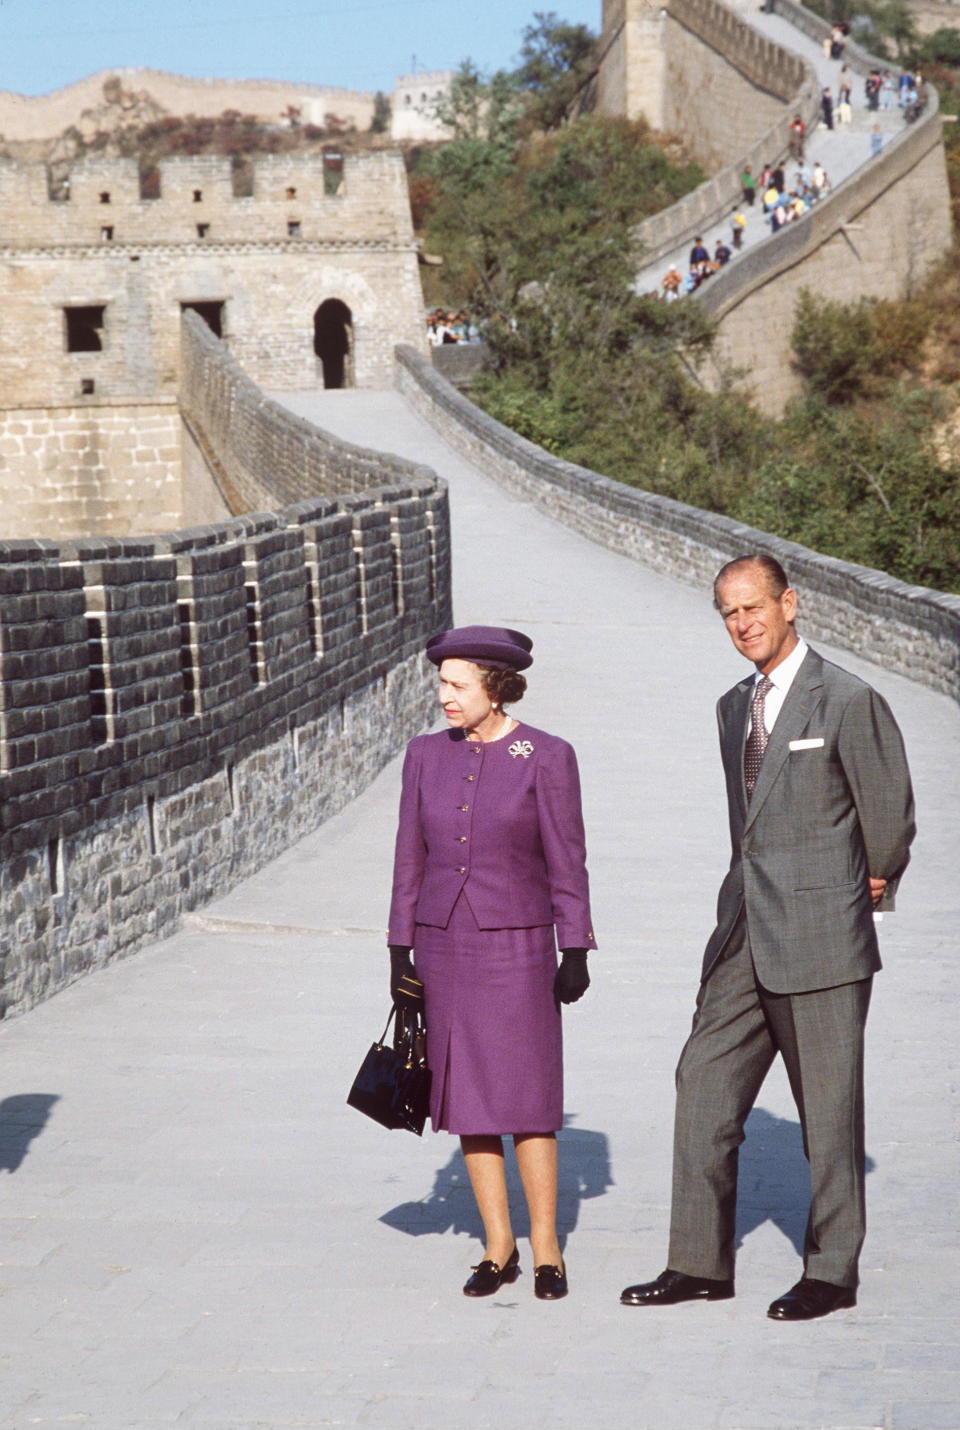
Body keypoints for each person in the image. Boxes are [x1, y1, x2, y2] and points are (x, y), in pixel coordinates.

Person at [620, 555, 915, 1322]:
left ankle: (831, 1271)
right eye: (729, 613)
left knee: (827, 1110)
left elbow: (889, 821)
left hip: (822, 939)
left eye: (755, 607)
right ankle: (698, 1263)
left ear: (790, 603)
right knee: (702, 1084)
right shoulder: (731, 706)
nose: (743, 623)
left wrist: (860, 894)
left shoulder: (848, 700)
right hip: (743, 933)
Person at [387, 625, 596, 1302]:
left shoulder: (548, 755)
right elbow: (407, 858)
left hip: (519, 946)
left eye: (457, 685)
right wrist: (399, 947)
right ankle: (496, 1245)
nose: (444, 696)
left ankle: (546, 1249)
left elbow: (568, 857)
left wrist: (576, 948)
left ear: (496, 687)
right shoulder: (423, 755)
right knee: (468, 1098)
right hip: (444, 944)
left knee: (529, 1100)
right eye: (441, 683)